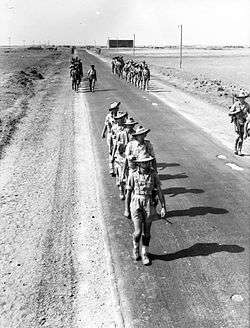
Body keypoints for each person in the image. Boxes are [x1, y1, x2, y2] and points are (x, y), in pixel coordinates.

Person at [124, 153, 166, 265]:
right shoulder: (133, 175)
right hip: (136, 203)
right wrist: (126, 209)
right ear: (139, 163)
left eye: (148, 161)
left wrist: (163, 207)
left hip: (149, 204)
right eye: (144, 162)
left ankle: (145, 253)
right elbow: (128, 193)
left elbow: (160, 192)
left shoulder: (153, 175)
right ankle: (135, 249)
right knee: (137, 232)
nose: (146, 163)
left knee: (147, 233)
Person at [111, 111, 128, 199]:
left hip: (129, 158)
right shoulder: (118, 131)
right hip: (120, 156)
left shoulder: (132, 134)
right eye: (119, 119)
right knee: (120, 175)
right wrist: (113, 155)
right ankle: (121, 190)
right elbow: (115, 144)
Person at [102, 101, 121, 175]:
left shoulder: (120, 116)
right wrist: (103, 132)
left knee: (118, 151)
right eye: (115, 108)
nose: (117, 109)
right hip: (111, 136)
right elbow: (106, 125)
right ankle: (111, 168)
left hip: (118, 135)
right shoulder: (108, 116)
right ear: (112, 109)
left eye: (117, 108)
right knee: (111, 151)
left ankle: (117, 167)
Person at [228, 90, 250, 155]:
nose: (242, 99)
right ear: (239, 98)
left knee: (242, 136)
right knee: (239, 136)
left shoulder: (247, 105)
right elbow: (229, 113)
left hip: (244, 122)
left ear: (244, 98)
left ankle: (239, 150)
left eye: (243, 98)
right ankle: (235, 148)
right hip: (237, 121)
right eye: (240, 98)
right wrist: (236, 112)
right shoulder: (236, 104)